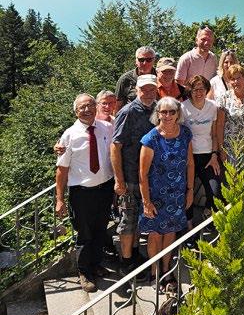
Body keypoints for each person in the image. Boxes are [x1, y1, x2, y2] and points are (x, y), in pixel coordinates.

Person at [55, 94, 114, 292]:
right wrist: (60, 199)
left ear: (96, 107)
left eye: (90, 105)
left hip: (105, 189)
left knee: (100, 229)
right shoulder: (69, 135)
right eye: (82, 107)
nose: (87, 110)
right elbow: (62, 169)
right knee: (85, 233)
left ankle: (96, 264)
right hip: (82, 194)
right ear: (76, 112)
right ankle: (84, 272)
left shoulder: (107, 128)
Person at [139, 97, 194, 286]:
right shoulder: (150, 139)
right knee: (155, 234)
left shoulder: (185, 133)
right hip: (155, 196)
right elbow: (143, 174)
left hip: (177, 194)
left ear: (178, 113)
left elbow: (190, 164)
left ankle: (166, 270)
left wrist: (190, 190)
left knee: (170, 232)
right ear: (158, 114)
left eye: (172, 112)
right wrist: (146, 202)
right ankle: (154, 273)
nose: (168, 115)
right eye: (164, 112)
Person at [111, 74, 157, 275]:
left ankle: (136, 254)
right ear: (137, 90)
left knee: (139, 219)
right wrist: (119, 179)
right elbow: (115, 146)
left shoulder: (157, 109)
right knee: (128, 220)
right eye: (144, 89)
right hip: (130, 176)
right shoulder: (128, 111)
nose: (148, 93)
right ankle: (127, 262)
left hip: (148, 177)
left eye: (151, 89)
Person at [181, 75, 220, 221]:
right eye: (195, 90)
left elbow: (214, 134)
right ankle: (188, 223)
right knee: (187, 190)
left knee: (214, 191)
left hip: (208, 156)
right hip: (189, 155)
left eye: (202, 89)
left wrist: (214, 155)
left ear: (207, 90)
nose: (199, 93)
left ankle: (208, 215)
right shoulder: (183, 107)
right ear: (190, 91)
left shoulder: (213, 107)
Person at [115, 46, 156, 111]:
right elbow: (117, 105)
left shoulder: (161, 77)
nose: (145, 63)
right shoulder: (125, 79)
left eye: (149, 60)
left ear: (154, 60)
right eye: (141, 60)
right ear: (136, 61)